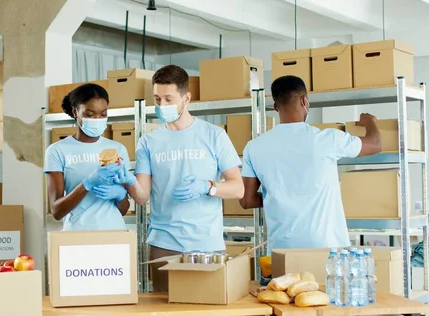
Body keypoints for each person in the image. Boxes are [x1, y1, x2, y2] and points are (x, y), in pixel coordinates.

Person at [117, 65, 245, 292]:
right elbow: (142, 196)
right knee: (165, 310)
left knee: (207, 310)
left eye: (168, 99)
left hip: (207, 245)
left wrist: (208, 187)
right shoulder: (149, 141)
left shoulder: (214, 135)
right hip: (163, 244)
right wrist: (125, 179)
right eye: (157, 99)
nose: (162, 105)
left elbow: (238, 188)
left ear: (186, 98)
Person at [239, 75, 382, 252]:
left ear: (275, 107)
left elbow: (246, 200)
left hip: (281, 250)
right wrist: (370, 122)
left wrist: (279, 195)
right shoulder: (327, 139)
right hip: (325, 247)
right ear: (304, 100)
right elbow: (375, 144)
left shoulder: (254, 147)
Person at [44, 83, 131, 230]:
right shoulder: (57, 151)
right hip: (77, 235)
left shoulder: (118, 149)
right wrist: (86, 185)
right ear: (75, 112)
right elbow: (57, 211)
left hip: (114, 233)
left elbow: (122, 210)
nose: (97, 119)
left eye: (103, 114)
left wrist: (121, 195)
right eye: (90, 114)